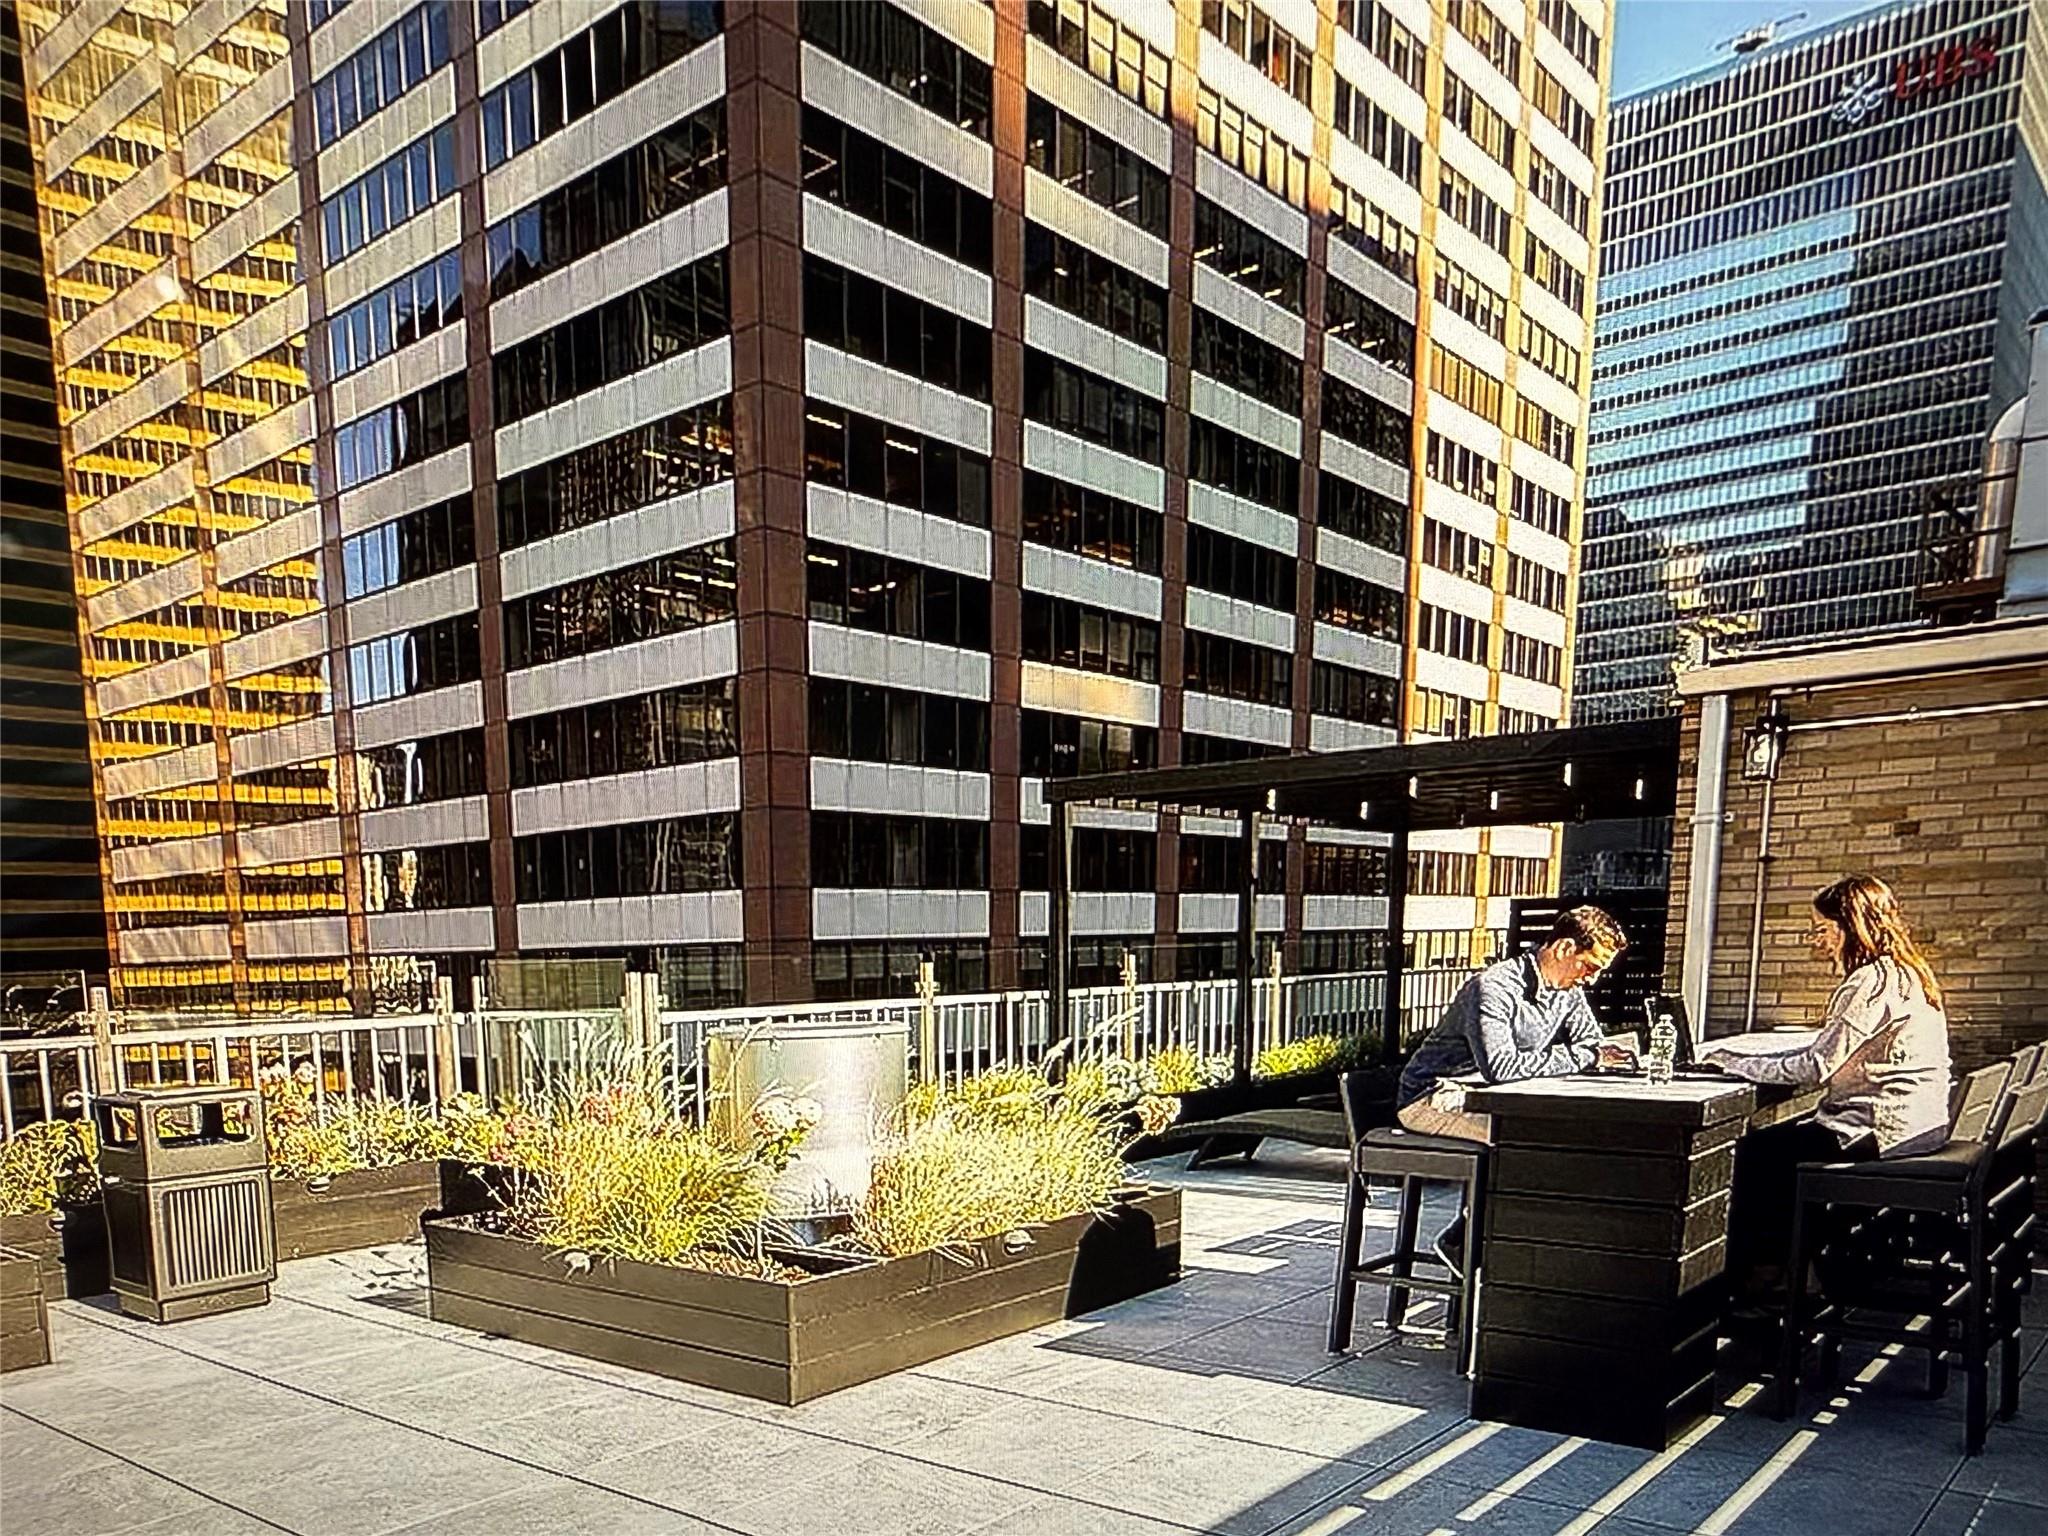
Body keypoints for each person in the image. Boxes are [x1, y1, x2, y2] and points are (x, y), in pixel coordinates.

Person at [1706, 874, 1953, 1295]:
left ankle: (1768, 1281)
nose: (1815, 940)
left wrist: (1730, 1063)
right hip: (1915, 1124)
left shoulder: (1869, 983)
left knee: (1750, 1156)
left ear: (1850, 926)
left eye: (1822, 930)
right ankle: (1795, 1270)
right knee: (1778, 1147)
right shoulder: (1907, 973)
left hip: (1878, 1130)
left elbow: (1817, 1065)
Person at [1394, 905, 1633, 1271]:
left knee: (1567, 1137)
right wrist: (1586, 1057)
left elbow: (1592, 1044)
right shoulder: (1493, 987)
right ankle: (1463, 1243)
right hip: (1433, 1096)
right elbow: (1501, 1068)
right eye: (1591, 966)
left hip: (1495, 1099)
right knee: (1529, 1140)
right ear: (1564, 949)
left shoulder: (1567, 991)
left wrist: (1599, 1056)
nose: (1593, 979)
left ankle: (1520, 1247)